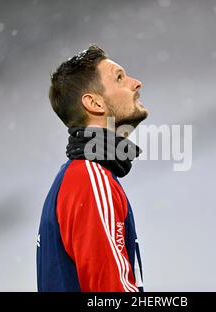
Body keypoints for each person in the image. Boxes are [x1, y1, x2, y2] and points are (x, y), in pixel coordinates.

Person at [36, 45, 148, 292]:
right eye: (120, 78)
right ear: (94, 102)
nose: (136, 83)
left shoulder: (79, 176)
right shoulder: (89, 179)